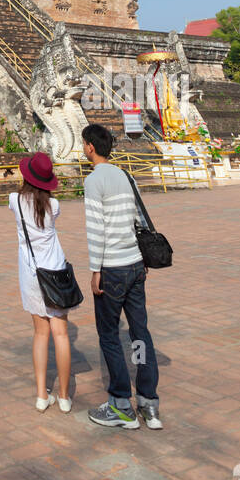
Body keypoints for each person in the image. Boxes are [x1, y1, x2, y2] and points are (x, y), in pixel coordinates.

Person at [82, 122, 162, 430]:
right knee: (140, 333)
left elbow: (96, 230)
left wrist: (95, 270)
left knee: (110, 336)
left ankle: (120, 405)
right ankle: (149, 404)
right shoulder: (126, 175)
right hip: (135, 265)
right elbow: (139, 219)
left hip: (112, 268)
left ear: (90, 147)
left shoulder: (94, 180)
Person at [9, 151, 72, 412]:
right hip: (56, 273)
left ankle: (40, 395)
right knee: (61, 334)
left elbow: (23, 200)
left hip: (32, 275)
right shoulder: (54, 206)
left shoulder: (14, 200)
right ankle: (65, 396)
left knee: (40, 334)